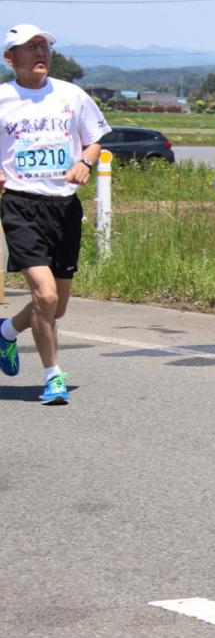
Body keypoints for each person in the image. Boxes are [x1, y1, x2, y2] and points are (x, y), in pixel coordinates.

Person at [0, 24, 111, 404]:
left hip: (63, 207)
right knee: (44, 295)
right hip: (20, 204)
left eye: (43, 45)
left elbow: (94, 140)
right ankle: (53, 377)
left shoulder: (71, 95)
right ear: (10, 58)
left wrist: (84, 161)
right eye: (30, 47)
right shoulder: (2, 98)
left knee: (57, 306)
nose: (40, 52)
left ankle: (7, 332)